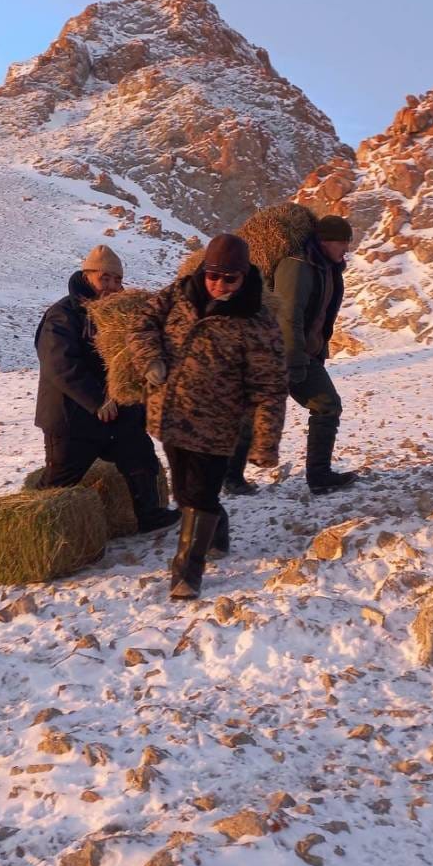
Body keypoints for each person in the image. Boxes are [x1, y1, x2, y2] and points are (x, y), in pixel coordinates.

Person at [128, 234, 288, 600]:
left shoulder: (258, 322)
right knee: (185, 490)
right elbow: (142, 323)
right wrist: (149, 358)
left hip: (217, 426)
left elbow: (269, 388)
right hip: (169, 414)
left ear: (245, 276)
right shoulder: (179, 293)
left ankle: (187, 571)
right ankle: (217, 529)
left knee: (198, 495)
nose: (219, 285)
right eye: (213, 275)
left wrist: (265, 442)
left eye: (230, 278)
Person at [34, 245, 178, 533]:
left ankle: (150, 515)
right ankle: (35, 528)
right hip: (73, 414)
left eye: (117, 280)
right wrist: (97, 400)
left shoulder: (122, 315)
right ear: (87, 275)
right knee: (60, 478)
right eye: (105, 279)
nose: (112, 287)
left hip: (119, 411)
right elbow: (59, 364)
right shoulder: (64, 314)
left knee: (141, 462)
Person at [226, 212, 357, 496]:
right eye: (342, 242)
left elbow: (321, 316)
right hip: (279, 352)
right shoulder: (297, 266)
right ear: (325, 241)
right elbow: (288, 315)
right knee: (326, 405)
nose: (346, 248)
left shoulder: (325, 267)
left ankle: (232, 476)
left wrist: (318, 351)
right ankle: (318, 476)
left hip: (296, 353)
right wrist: (294, 361)